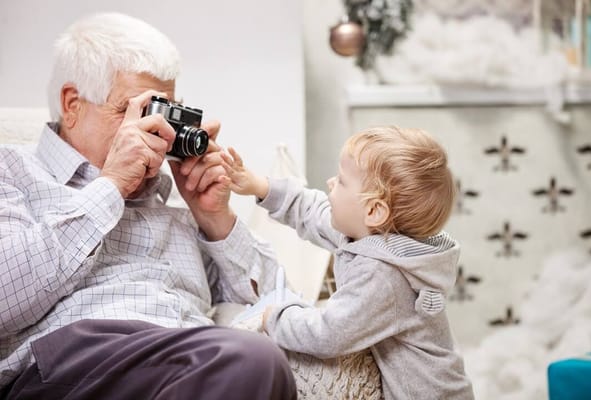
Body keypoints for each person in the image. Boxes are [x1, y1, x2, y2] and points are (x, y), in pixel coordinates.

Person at [0, 12, 297, 399]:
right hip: (70, 364)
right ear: (72, 104)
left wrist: (215, 219)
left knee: (255, 360)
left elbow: (281, 307)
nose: (155, 132)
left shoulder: (177, 191)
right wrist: (110, 188)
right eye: (132, 109)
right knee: (253, 360)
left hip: (185, 361)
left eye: (162, 112)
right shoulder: (13, 170)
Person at [220, 126, 475, 399]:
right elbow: (312, 210)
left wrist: (277, 316)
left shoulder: (383, 275)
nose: (330, 182)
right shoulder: (367, 233)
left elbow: (328, 334)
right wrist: (260, 186)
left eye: (342, 181)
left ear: (374, 210)